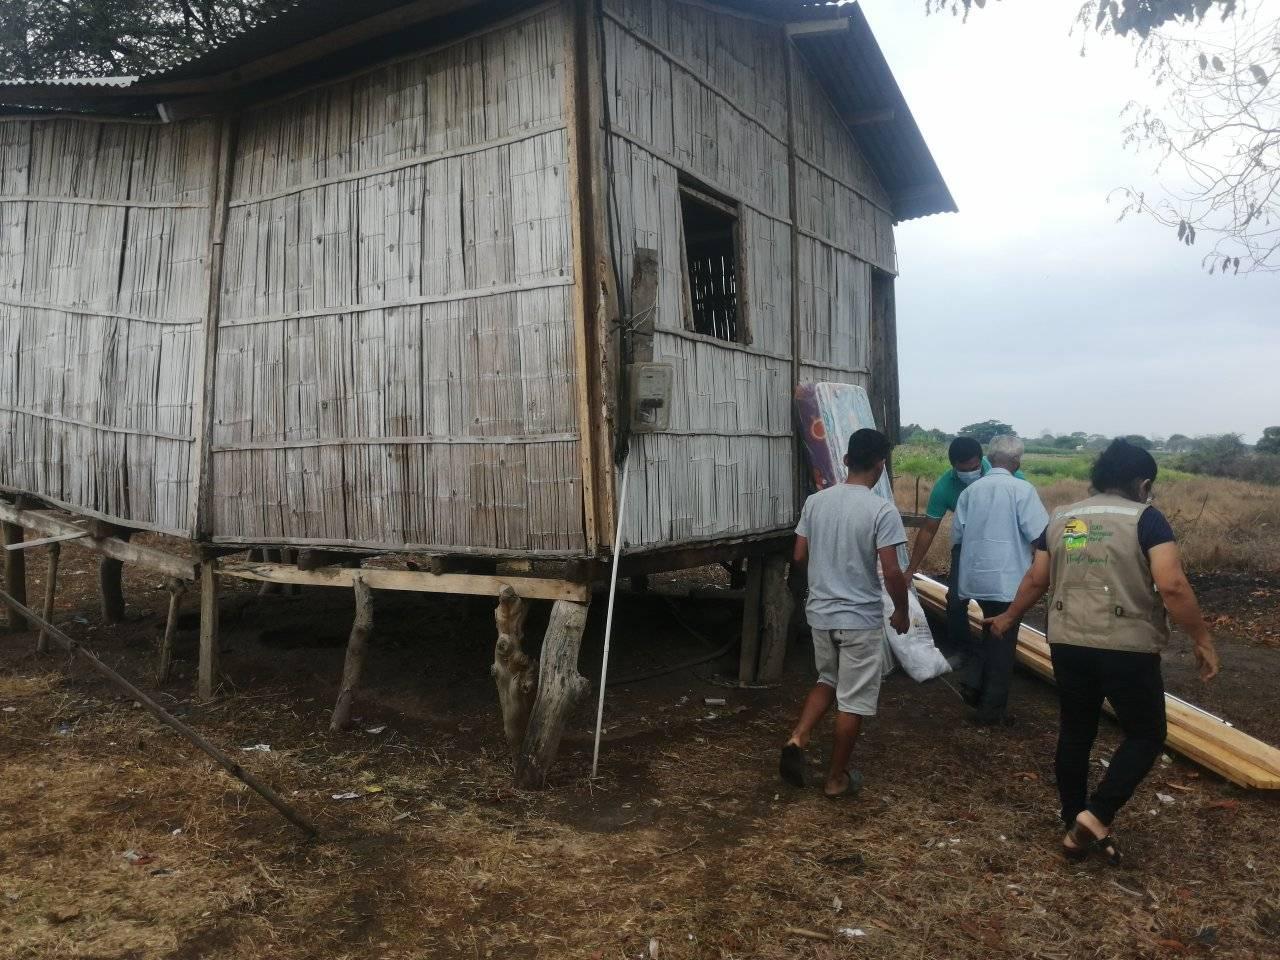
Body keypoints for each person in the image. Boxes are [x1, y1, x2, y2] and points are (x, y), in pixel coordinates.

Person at [988, 439, 1220, 864]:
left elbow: (1038, 578)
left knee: (1076, 731)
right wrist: (1202, 639)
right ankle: (1095, 816)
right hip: (1126, 645)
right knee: (1146, 733)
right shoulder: (1146, 519)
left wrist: (1009, 616)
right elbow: (1171, 585)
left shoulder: (1067, 518)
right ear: (1143, 484)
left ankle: (1072, 821)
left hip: (1068, 641)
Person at [780, 428, 910, 798]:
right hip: (859, 620)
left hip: (821, 614)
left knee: (827, 680)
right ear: (881, 465)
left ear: (847, 459)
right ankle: (836, 779)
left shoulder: (815, 502)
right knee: (852, 701)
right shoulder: (881, 510)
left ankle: (797, 738)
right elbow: (892, 571)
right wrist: (901, 611)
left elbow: (799, 555)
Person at [951, 434, 1049, 726]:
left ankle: (974, 684)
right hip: (1009, 580)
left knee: (990, 630)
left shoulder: (971, 492)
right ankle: (991, 709)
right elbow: (1040, 536)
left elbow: (957, 536)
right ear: (1016, 461)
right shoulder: (1023, 490)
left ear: (990, 458)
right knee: (1003, 642)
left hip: (977, 577)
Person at [904, 437, 1026, 655]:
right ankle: (962, 649)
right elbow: (929, 529)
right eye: (964, 470)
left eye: (975, 468)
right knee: (955, 601)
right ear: (953, 466)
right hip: (966, 546)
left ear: (982, 460)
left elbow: (1026, 517)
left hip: (1001, 546)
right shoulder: (945, 486)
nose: (970, 473)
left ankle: (993, 651)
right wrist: (911, 569)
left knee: (997, 601)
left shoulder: (1009, 476)